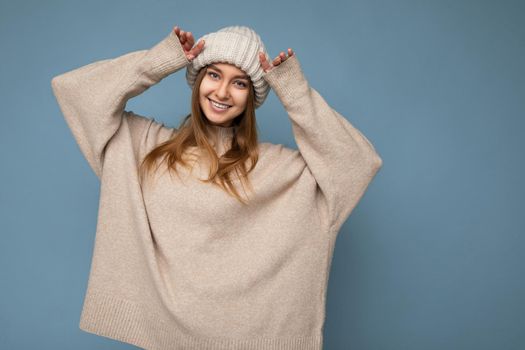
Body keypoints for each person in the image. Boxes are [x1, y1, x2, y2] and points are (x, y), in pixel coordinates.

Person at [51, 24, 383, 350]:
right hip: (160, 337)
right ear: (196, 81)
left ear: (252, 97)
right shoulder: (145, 147)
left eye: (239, 82)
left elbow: (356, 164)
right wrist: (156, 63)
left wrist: (294, 92)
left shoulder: (280, 170)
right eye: (213, 75)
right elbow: (75, 93)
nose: (222, 92)